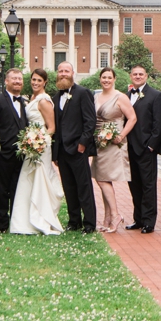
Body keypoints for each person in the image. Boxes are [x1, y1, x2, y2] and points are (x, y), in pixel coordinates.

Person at [10, 68, 65, 235]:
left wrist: (38, 141)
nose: (35, 83)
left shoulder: (43, 100)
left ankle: (41, 216)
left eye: (39, 81)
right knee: (28, 179)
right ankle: (24, 221)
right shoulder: (31, 98)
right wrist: (30, 141)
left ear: (45, 82)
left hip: (41, 145)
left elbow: (52, 127)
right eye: (33, 79)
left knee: (39, 178)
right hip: (31, 144)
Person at [52, 61, 98, 233]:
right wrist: (55, 153)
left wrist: (82, 144)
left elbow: (90, 121)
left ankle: (89, 223)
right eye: (60, 71)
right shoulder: (55, 97)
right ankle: (74, 221)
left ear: (73, 73)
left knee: (83, 186)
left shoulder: (83, 93)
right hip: (62, 151)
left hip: (78, 149)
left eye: (66, 71)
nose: (63, 74)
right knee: (69, 187)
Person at [91, 67, 137, 233]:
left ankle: (116, 215)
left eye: (109, 77)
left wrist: (121, 135)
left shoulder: (120, 97)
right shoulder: (96, 96)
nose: (106, 80)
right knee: (103, 178)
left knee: (102, 179)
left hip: (114, 142)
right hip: (100, 143)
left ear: (114, 79)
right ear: (100, 79)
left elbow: (132, 118)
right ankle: (107, 218)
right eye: (104, 77)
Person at [0, 68, 28, 233]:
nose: (18, 81)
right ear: (6, 81)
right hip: (3, 154)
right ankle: (2, 224)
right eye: (14, 79)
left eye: (20, 79)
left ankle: (16, 222)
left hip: (22, 154)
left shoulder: (24, 102)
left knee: (18, 189)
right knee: (2, 190)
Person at [125, 65, 161, 234]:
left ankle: (149, 221)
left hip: (146, 149)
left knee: (148, 186)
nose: (138, 76)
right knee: (134, 185)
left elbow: (159, 123)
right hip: (128, 149)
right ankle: (138, 219)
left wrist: (151, 145)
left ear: (146, 76)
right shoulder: (125, 96)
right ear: (130, 76)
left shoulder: (156, 96)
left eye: (141, 74)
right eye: (135, 74)